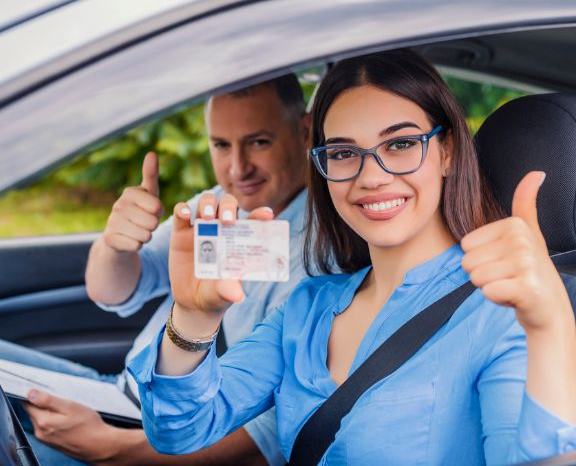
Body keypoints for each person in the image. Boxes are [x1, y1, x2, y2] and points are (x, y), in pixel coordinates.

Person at [129, 49, 576, 465]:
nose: (371, 176)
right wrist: (192, 318)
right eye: (343, 153)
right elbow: (179, 431)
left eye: (399, 144)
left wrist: (551, 323)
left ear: (447, 151)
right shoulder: (307, 308)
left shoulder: (503, 313)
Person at [7, 74, 311, 466]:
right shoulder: (217, 203)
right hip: (122, 395)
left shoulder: (322, 254)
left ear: (304, 131)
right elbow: (113, 291)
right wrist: (116, 245)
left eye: (259, 142)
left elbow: (266, 436)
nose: (238, 168)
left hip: (151, 443)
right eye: (221, 145)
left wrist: (110, 448)